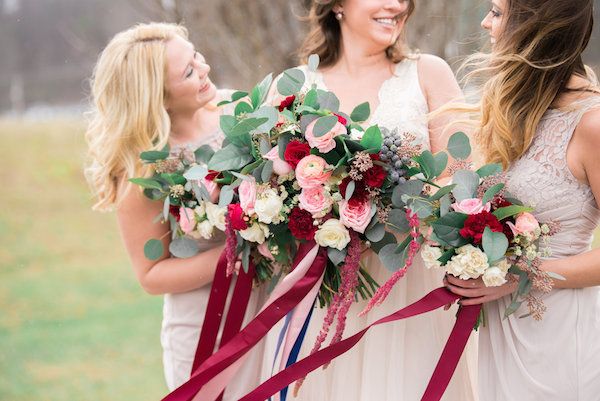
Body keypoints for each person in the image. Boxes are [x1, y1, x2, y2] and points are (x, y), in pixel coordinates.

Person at [261, 1, 477, 400]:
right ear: (337, 5)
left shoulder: (427, 73)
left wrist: (388, 201)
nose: (396, 5)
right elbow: (269, 190)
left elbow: (463, 180)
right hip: (321, 295)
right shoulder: (294, 86)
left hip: (410, 288)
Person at [84, 22, 265, 398]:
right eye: (188, 72)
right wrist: (239, 249)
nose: (205, 69)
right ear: (159, 97)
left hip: (274, 310)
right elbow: (151, 274)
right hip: (208, 330)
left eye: (196, 56)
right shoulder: (144, 170)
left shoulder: (242, 112)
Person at [444, 1, 600, 399]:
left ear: (536, 26)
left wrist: (519, 274)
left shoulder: (592, 123)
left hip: (561, 335)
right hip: (505, 330)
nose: (485, 22)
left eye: (497, 12)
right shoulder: (515, 106)